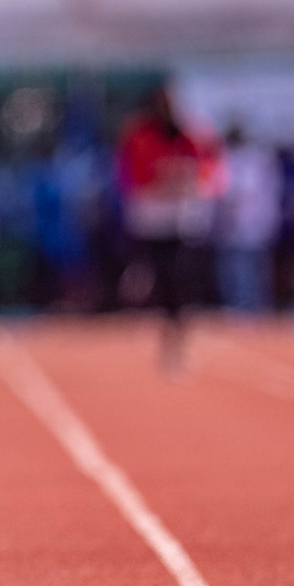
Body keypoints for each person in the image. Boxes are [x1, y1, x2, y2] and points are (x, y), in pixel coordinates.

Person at [116, 86, 222, 375]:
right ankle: (167, 329)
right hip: (151, 220)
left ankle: (179, 335)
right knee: (162, 280)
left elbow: (211, 169)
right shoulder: (140, 135)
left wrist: (192, 179)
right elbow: (132, 174)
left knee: (183, 280)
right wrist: (161, 179)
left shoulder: (192, 133)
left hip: (184, 220)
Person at [215, 125, 281, 313]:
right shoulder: (233, 159)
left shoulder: (253, 160)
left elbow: (238, 191)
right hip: (237, 225)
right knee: (236, 268)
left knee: (249, 268)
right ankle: (241, 305)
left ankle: (251, 306)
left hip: (251, 223)